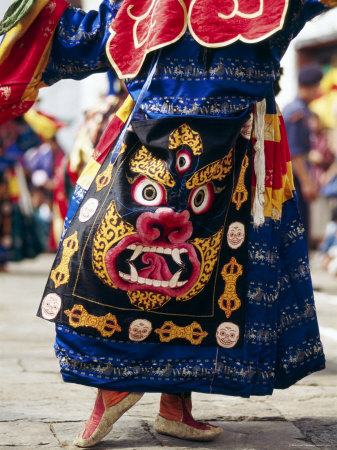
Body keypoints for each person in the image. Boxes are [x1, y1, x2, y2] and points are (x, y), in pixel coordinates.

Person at [0, 0, 335, 447]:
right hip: (218, 151)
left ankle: (166, 404)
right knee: (194, 281)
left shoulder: (140, 5)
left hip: (157, 147)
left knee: (160, 281)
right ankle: (131, 390)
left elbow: (75, 39)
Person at [283, 64, 323, 242]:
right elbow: (295, 153)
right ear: (310, 86)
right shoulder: (296, 112)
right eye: (317, 87)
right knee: (298, 231)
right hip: (295, 181)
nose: (318, 91)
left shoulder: (300, 109)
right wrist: (307, 183)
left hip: (295, 179)